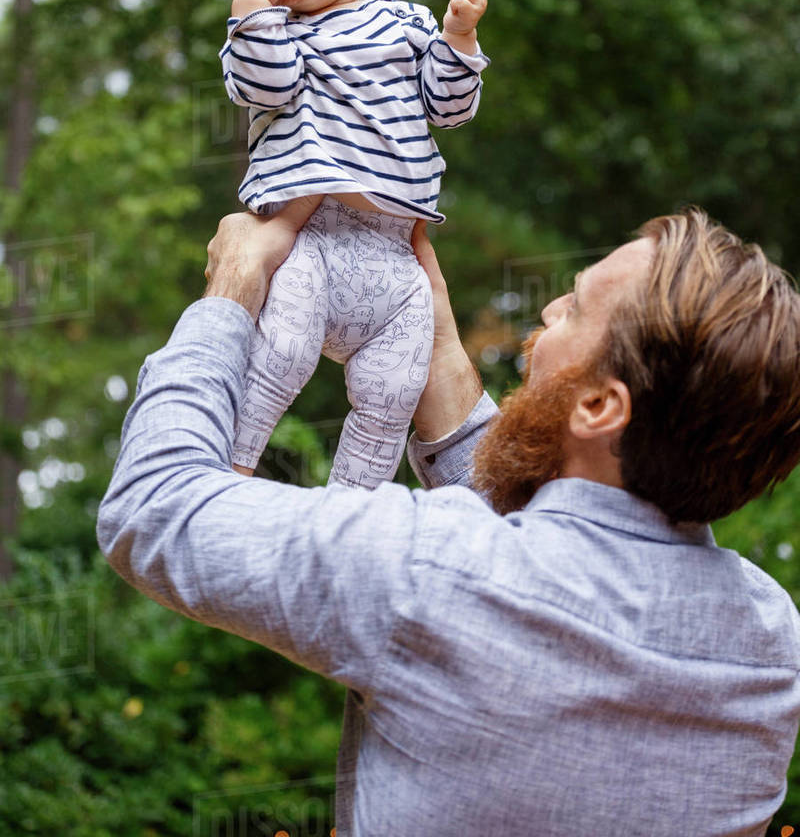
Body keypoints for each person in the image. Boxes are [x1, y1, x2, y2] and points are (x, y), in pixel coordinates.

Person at [97, 203, 800, 836]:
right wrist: (432, 346)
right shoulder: (772, 649)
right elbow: (544, 573)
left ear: (599, 409)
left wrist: (231, 291)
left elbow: (156, 505)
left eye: (576, 310)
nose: (549, 310)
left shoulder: (426, 571)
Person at [219, 0, 488, 487]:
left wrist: (458, 35)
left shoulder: (405, 23)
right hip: (307, 241)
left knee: (393, 392)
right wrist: (251, 11)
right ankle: (228, 471)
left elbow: (447, 106)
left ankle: (353, 510)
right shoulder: (273, 35)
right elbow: (268, 85)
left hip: (395, 258)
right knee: (278, 353)